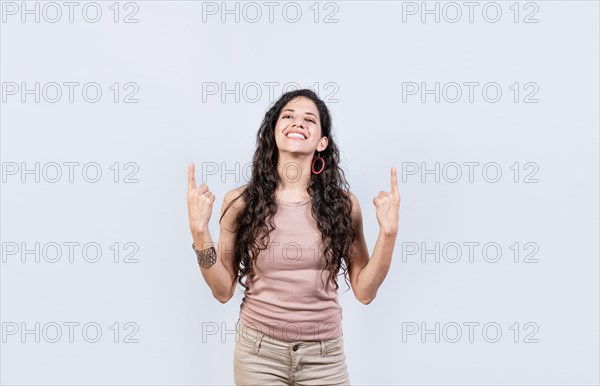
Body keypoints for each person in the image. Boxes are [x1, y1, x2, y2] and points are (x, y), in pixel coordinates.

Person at [187, 88, 401, 385]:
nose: (298, 122)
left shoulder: (343, 206)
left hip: (324, 356)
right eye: (288, 116)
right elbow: (222, 290)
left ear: (322, 141)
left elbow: (365, 291)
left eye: (309, 120)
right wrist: (200, 232)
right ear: (273, 131)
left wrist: (388, 234)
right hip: (258, 355)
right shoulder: (240, 203)